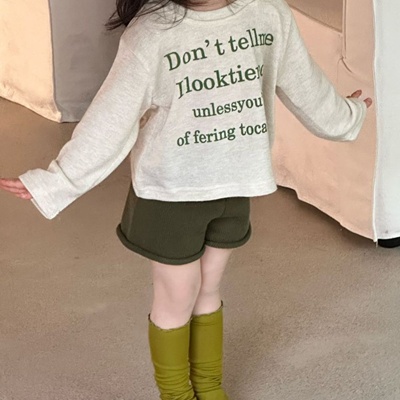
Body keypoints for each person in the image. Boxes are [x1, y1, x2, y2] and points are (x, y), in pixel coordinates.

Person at [0, 0, 373, 398]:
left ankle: (209, 389)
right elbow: (110, 120)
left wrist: (346, 115)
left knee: (209, 288)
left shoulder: (268, 14)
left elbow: (304, 83)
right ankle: (176, 395)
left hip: (234, 187)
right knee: (177, 295)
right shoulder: (151, 34)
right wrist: (56, 181)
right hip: (169, 196)